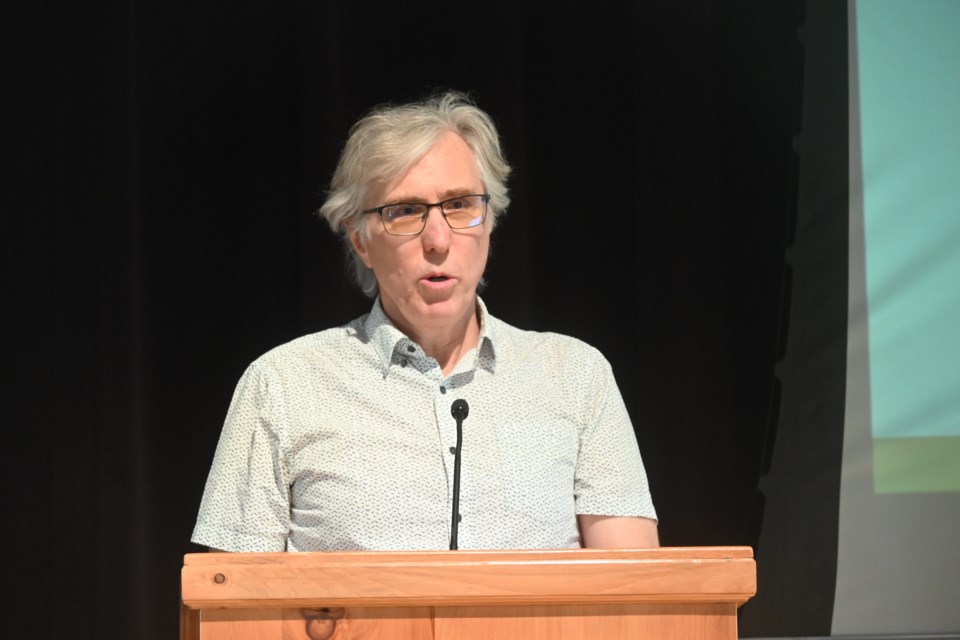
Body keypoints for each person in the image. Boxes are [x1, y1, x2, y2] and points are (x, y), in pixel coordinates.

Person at [191, 91, 658, 553]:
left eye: (459, 205)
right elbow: (231, 602)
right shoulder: (282, 385)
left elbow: (639, 593)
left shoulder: (575, 375)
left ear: (489, 221)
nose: (438, 239)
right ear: (359, 240)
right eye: (405, 211)